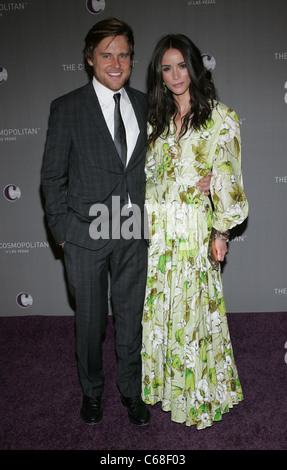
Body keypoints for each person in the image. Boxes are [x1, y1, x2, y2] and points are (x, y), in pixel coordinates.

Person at [41, 18, 210, 427]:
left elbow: (176, 148)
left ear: (132, 60)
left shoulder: (147, 103)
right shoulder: (67, 107)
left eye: (123, 55)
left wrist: (205, 177)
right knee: (91, 323)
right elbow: (51, 177)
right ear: (89, 59)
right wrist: (62, 234)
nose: (115, 63)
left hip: (134, 229)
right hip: (86, 233)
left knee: (132, 317)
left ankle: (131, 392)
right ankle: (92, 392)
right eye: (106, 54)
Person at [141, 34, 249, 429]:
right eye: (166, 68)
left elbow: (231, 178)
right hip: (159, 237)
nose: (175, 75)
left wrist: (221, 233)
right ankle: (170, 391)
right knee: (164, 312)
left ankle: (199, 396)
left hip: (196, 232)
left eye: (181, 65)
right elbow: (147, 178)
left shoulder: (222, 117)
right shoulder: (154, 120)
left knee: (194, 315)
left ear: (194, 67)